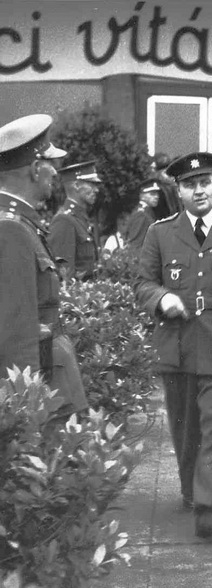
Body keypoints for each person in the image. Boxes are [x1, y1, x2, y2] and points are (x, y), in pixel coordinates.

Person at [135, 152, 212, 538]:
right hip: (179, 344)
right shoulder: (160, 233)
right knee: (185, 429)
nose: (199, 190)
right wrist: (161, 299)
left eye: (205, 182)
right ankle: (191, 489)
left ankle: (207, 498)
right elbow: (142, 282)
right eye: (190, 185)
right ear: (179, 191)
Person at [0, 114, 88, 416]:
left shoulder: (22, 224)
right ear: (36, 168)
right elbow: (17, 335)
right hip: (43, 391)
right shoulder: (10, 229)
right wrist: (27, 414)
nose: (56, 173)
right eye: (52, 164)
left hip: (51, 379)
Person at [49, 161, 102, 280]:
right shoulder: (64, 220)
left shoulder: (80, 219)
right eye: (92, 184)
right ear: (77, 185)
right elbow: (64, 277)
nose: (97, 190)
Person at [125, 178, 161, 251]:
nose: (157, 196)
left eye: (157, 193)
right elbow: (135, 245)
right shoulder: (141, 214)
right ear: (142, 196)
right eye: (152, 194)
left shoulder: (148, 212)